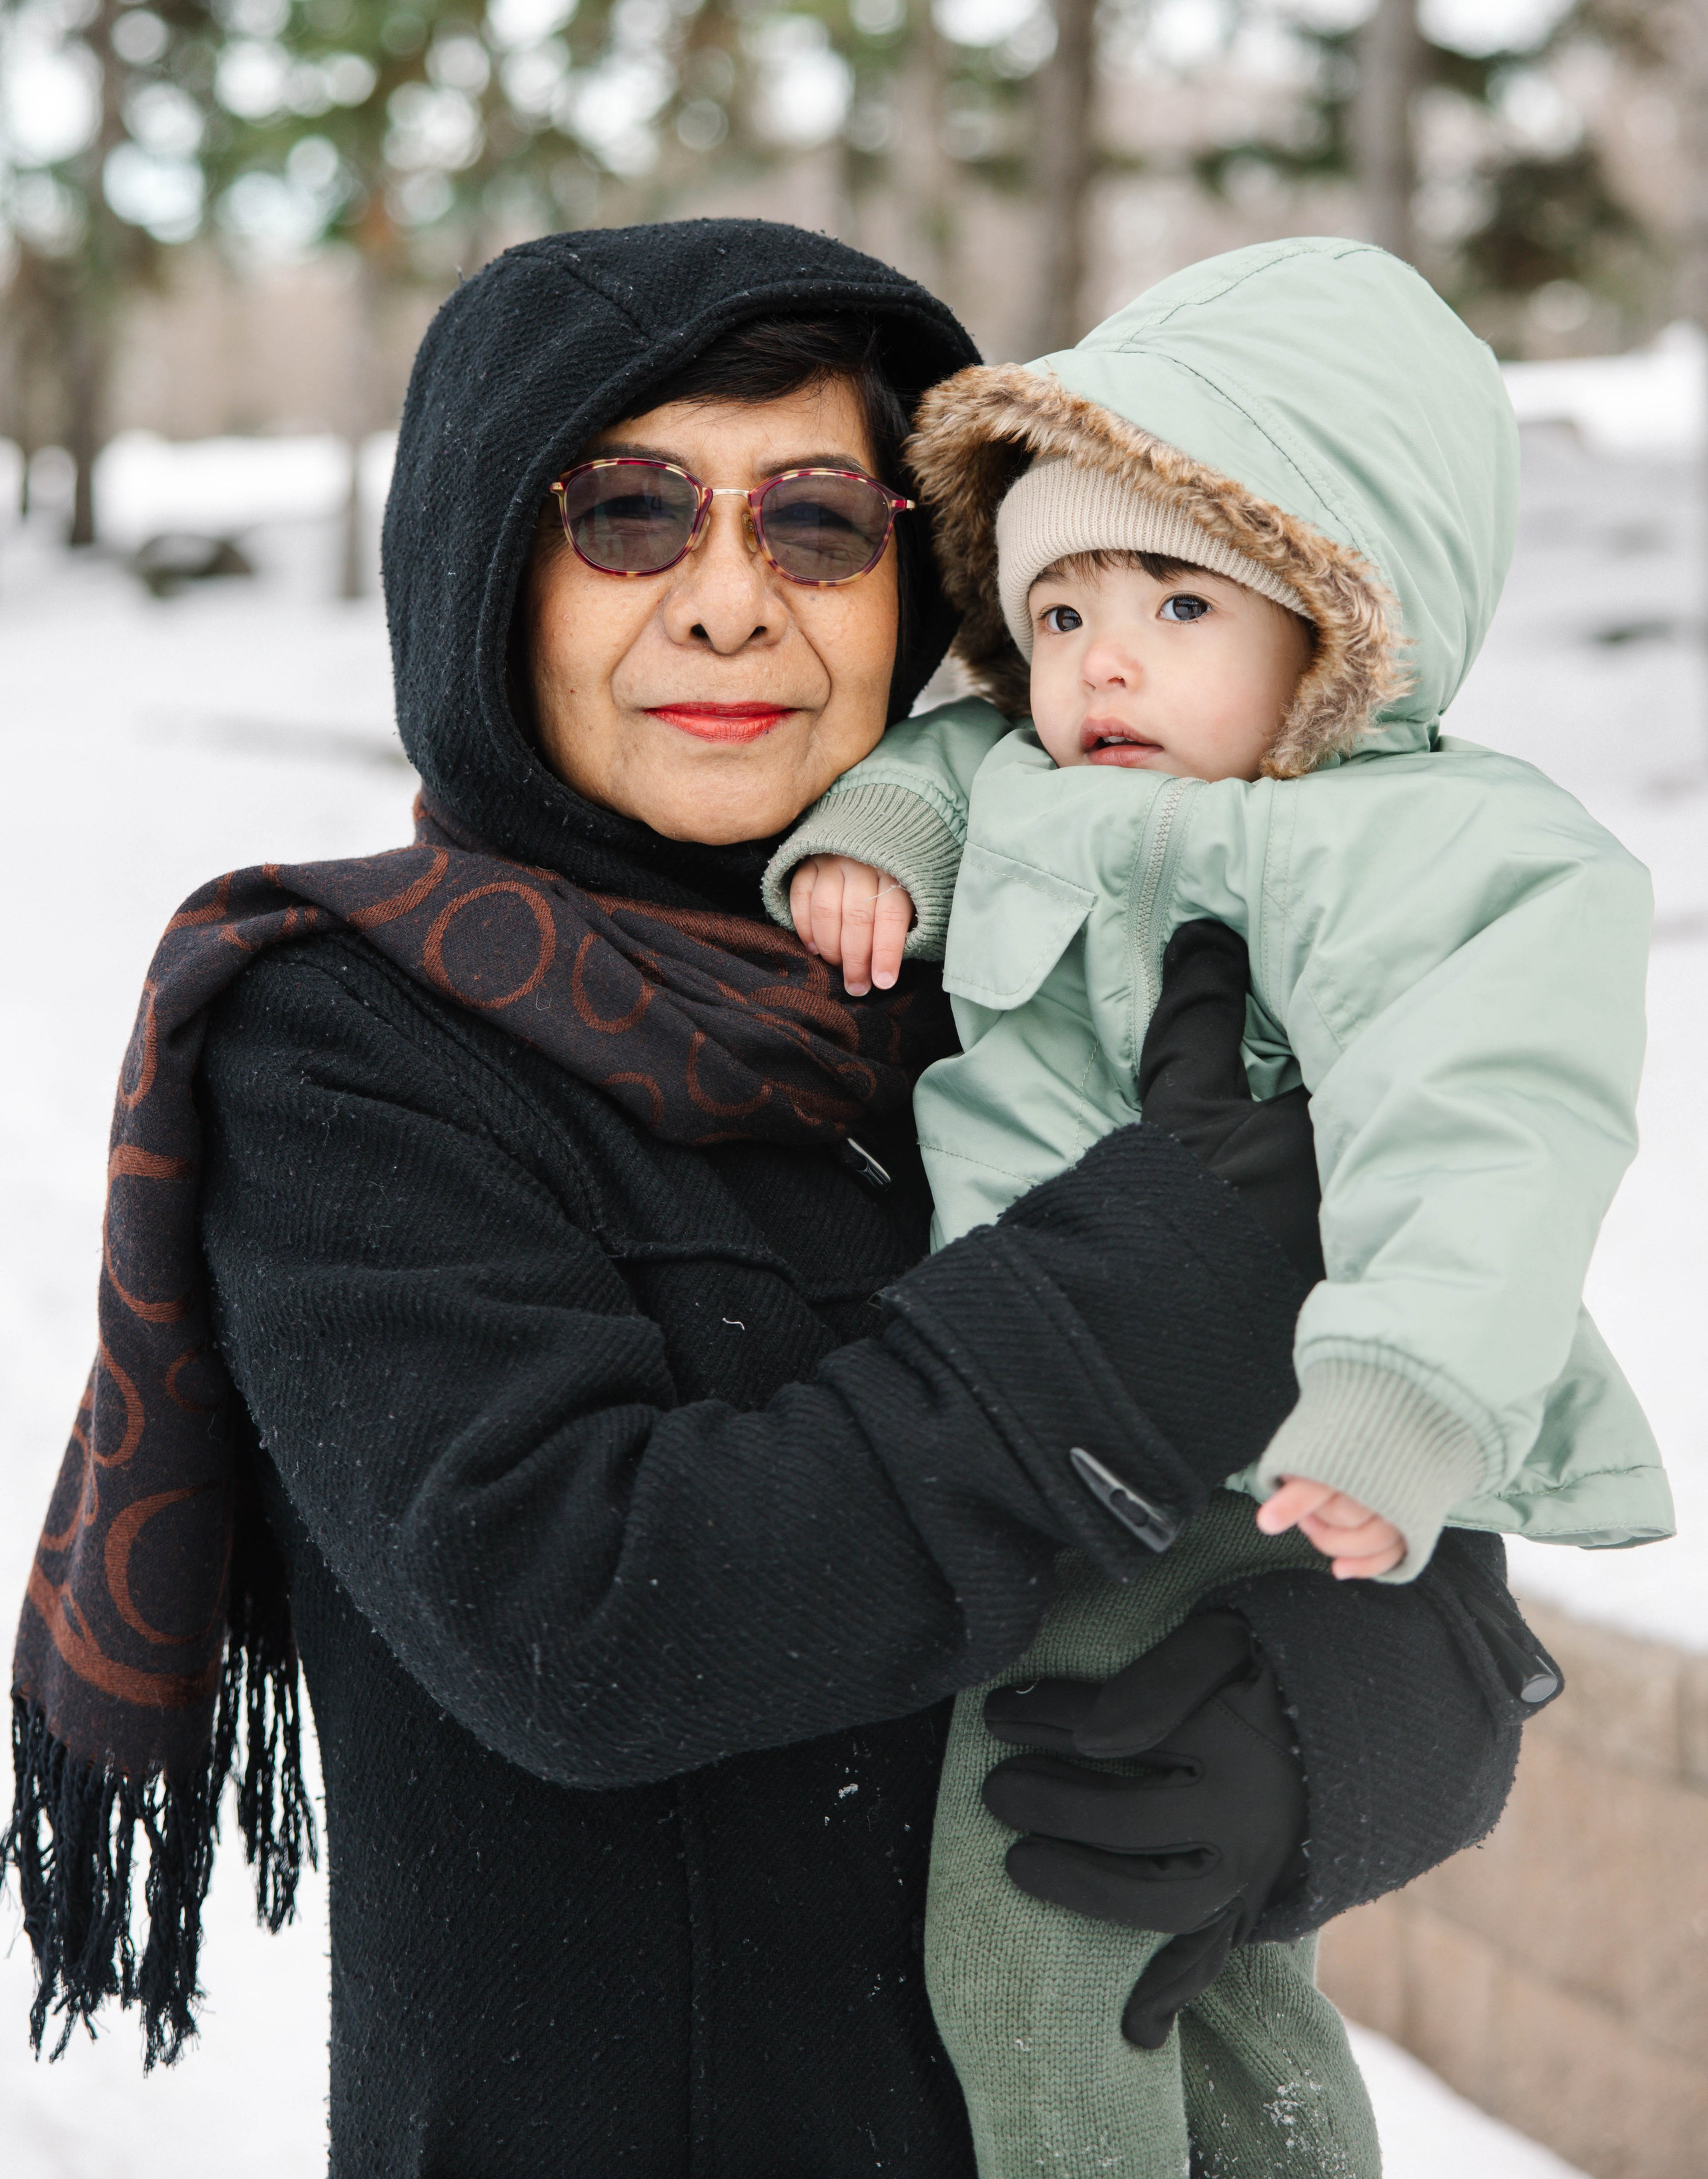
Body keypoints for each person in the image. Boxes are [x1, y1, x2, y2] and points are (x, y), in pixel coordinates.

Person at [9, 224, 1547, 2178]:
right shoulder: (356, 1049)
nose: (732, 602)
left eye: (819, 522)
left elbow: (1433, 1546)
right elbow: (581, 1616)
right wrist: (1150, 1284)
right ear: (484, 567)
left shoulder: (1047, 975)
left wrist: (1334, 1746)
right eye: (630, 514)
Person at [769, 235, 1671, 2176]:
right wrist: (876, 842)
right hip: (1060, 1435)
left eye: (1182, 598)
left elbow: (1490, 1135)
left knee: (1039, 1923)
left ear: (1353, 632)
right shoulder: (1023, 763)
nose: (1106, 658)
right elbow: (945, 765)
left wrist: (1399, 1405)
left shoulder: (1447, 854)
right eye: (1065, 602)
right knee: (1210, 1969)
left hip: (1279, 1464)